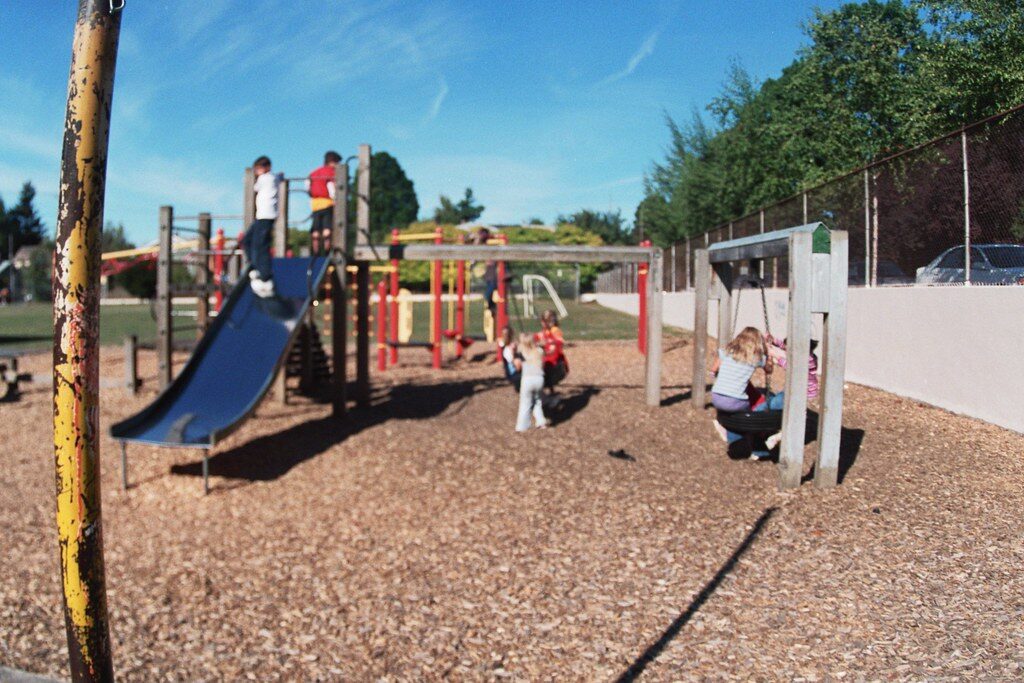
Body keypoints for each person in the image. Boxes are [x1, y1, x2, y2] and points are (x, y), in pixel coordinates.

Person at [709, 326, 779, 460]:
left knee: (737, 414)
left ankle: (733, 437)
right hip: (735, 401)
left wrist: (713, 372)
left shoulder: (728, 351)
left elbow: (718, 360)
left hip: (716, 397)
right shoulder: (755, 358)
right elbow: (769, 370)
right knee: (754, 414)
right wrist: (768, 354)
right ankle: (760, 440)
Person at [242, 156, 281, 297]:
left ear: (266, 168)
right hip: (262, 216)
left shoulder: (266, 178)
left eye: (258, 169)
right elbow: (278, 178)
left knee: (261, 246)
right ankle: (254, 268)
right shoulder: (273, 177)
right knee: (247, 241)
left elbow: (254, 187)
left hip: (266, 216)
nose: (257, 172)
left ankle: (265, 277)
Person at [306, 151, 341, 255]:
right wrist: (335, 199)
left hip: (315, 204)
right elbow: (331, 186)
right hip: (327, 203)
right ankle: (327, 251)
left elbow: (308, 185)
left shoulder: (314, 172)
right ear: (333, 162)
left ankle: (315, 251)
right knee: (327, 228)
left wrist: (312, 195)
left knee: (316, 229)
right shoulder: (330, 172)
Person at [514, 334, 547, 432]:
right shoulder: (539, 351)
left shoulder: (521, 353)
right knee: (537, 401)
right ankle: (541, 422)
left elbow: (517, 367)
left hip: (527, 379)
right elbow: (543, 364)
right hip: (539, 379)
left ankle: (522, 426)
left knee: (525, 403)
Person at [536, 309, 568, 390]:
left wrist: (548, 342)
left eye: (545, 320)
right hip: (548, 358)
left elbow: (559, 341)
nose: (542, 323)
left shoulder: (554, 330)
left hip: (556, 361)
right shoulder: (545, 331)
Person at [499, 326, 521, 391]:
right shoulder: (507, 348)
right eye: (503, 334)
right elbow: (513, 361)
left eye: (506, 335)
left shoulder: (510, 345)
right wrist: (513, 351)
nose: (504, 336)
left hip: (512, 369)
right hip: (513, 371)